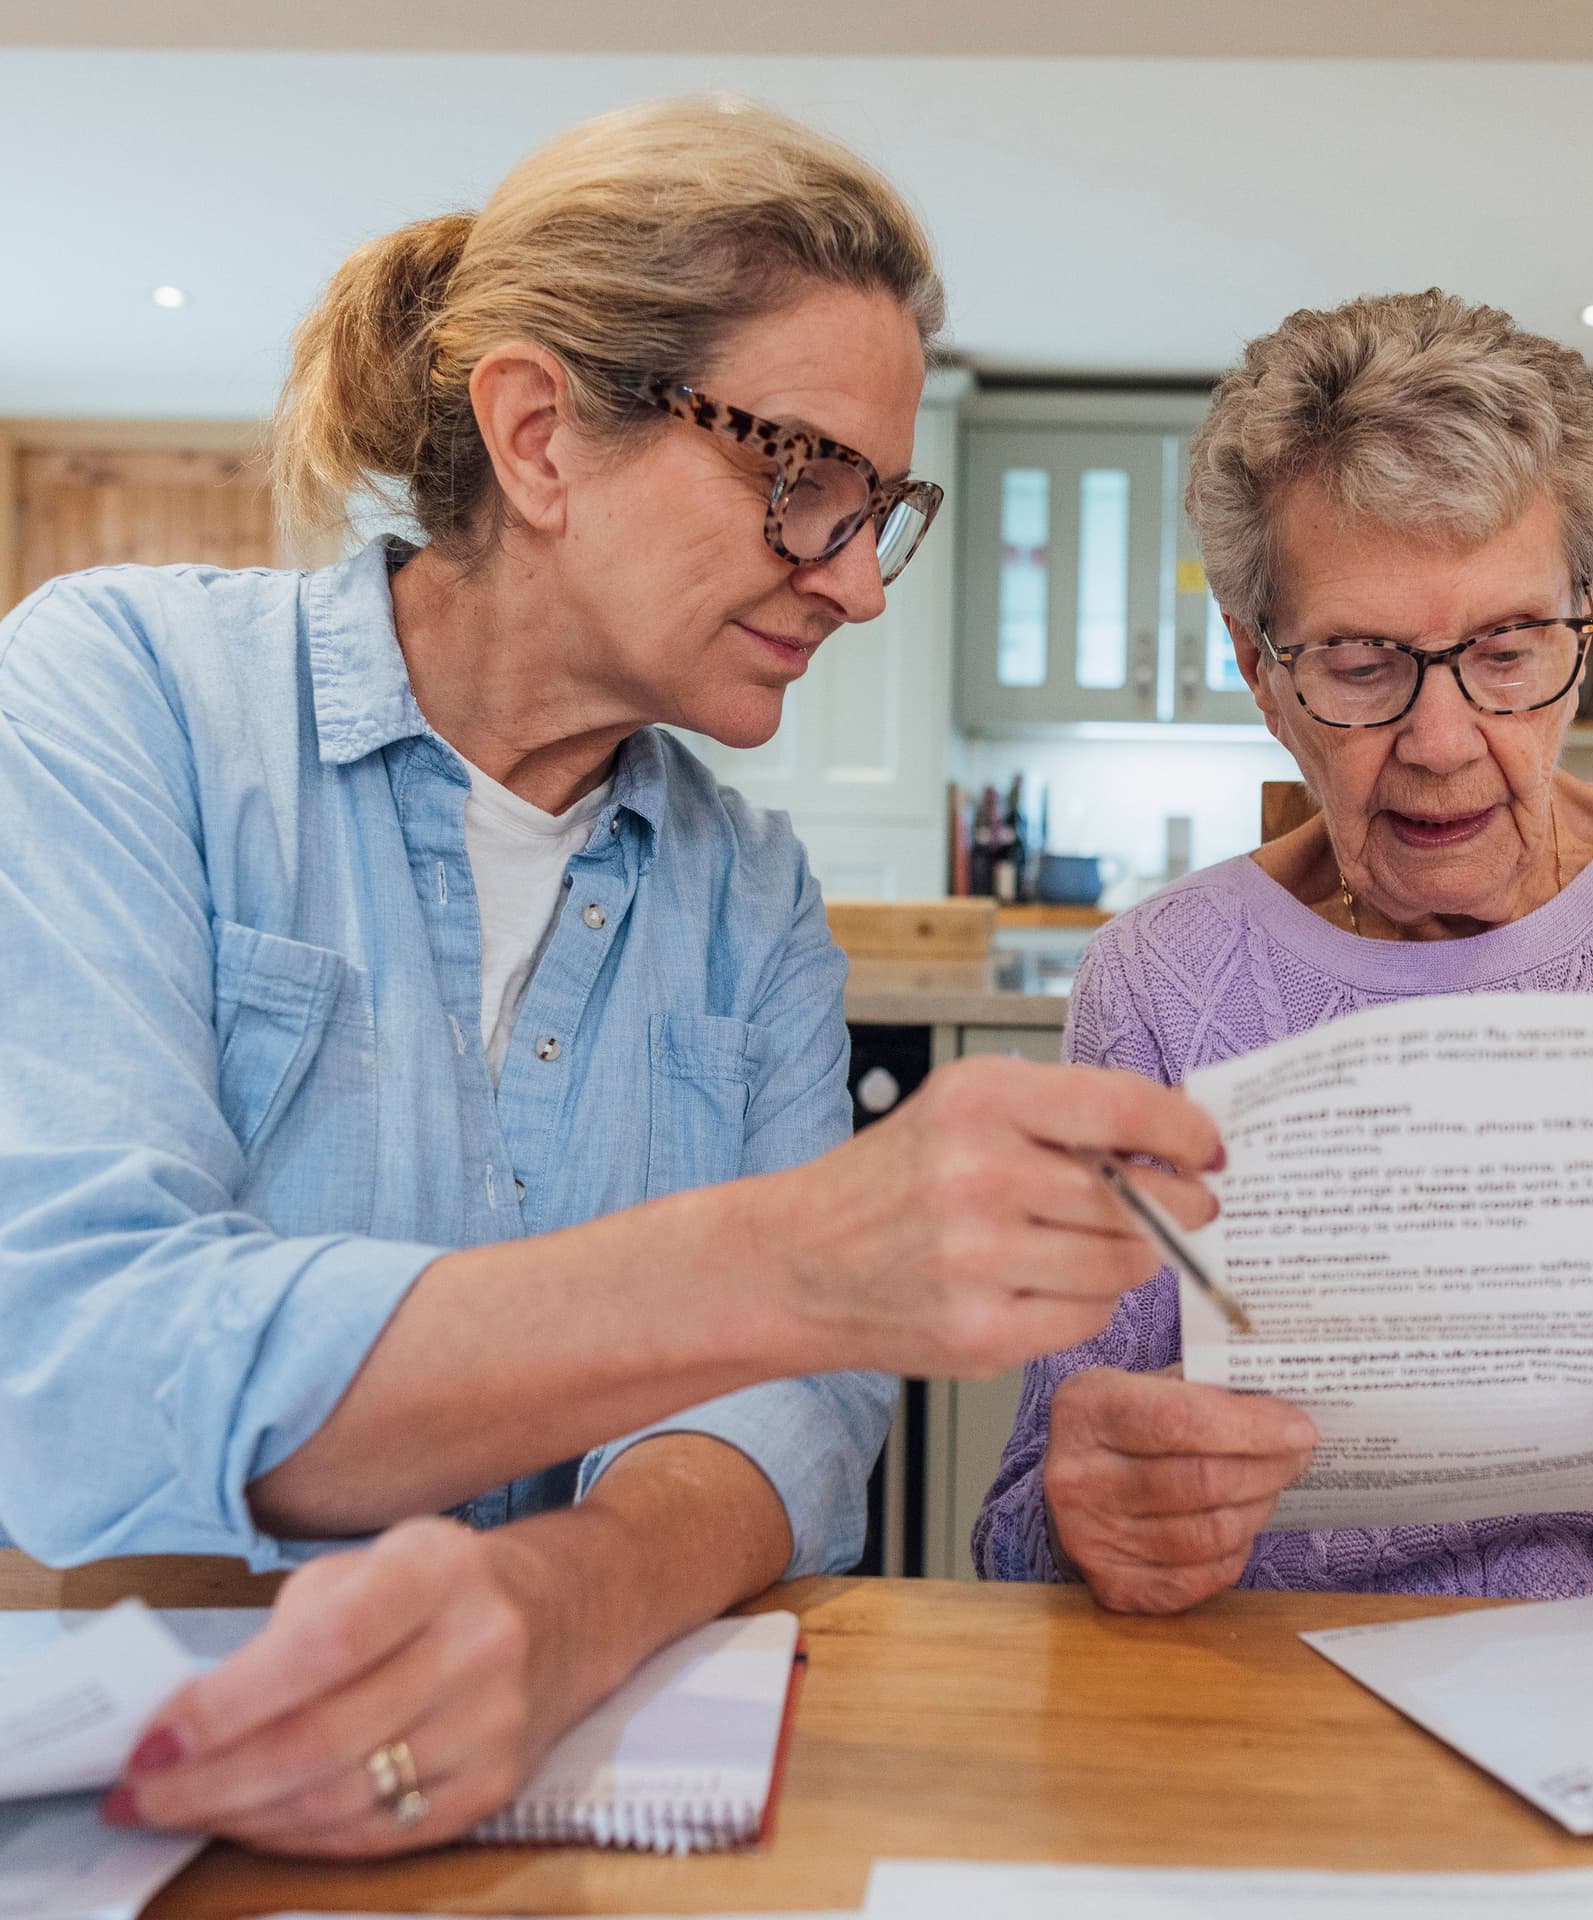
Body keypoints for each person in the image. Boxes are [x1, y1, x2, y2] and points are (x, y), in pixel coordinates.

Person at [0, 98, 1222, 1857]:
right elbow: (79, 1369)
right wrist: (796, 1260)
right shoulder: (129, 699)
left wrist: (567, 1602)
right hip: (183, 1803)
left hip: (593, 1819)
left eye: (883, 508)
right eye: (802, 479)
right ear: (539, 435)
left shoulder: (748, 891)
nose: (860, 583)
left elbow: (793, 1417)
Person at [976, 289, 1593, 1613]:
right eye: (1361, 663)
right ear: (1258, 667)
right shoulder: (1162, 982)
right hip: (1298, 1708)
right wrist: (1097, 1520)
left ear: (1585, 623)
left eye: (1508, 648)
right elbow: (1026, 1523)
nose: (1440, 739)